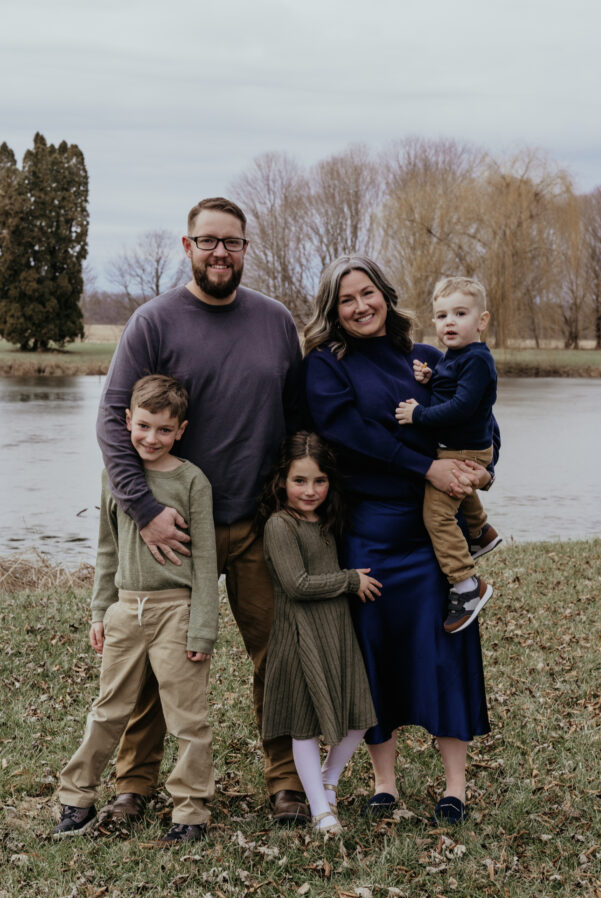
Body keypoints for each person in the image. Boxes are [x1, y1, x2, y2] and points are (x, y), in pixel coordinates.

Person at [96, 197, 308, 826]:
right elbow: (114, 422)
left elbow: (299, 420)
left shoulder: (274, 322)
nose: (221, 252)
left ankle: (285, 781)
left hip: (257, 525)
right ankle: (134, 784)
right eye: (209, 241)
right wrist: (142, 509)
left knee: (276, 655)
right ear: (186, 246)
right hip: (173, 533)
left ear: (247, 249)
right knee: (159, 665)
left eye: (233, 242)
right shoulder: (153, 322)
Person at [303, 255, 496, 825]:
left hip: (436, 538)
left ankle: (455, 786)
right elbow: (348, 433)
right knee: (376, 654)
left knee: (446, 653)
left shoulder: (429, 357)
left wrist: (482, 472)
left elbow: (481, 420)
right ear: (333, 311)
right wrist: (427, 470)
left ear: (386, 296)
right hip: (371, 532)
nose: (361, 306)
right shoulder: (325, 365)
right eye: (346, 299)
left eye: (369, 293)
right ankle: (384, 781)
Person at [54, 376, 218, 843]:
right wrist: (99, 611)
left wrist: (202, 629)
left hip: (176, 612)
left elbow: (206, 562)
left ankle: (190, 812)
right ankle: (77, 797)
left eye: (164, 430)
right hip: (126, 610)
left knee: (188, 717)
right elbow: (107, 549)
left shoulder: (192, 481)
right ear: (127, 421)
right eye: (143, 426)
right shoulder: (116, 477)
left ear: (180, 430)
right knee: (108, 709)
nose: (151, 438)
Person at [257, 432, 380, 834]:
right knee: (305, 724)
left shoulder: (326, 521)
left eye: (320, 481)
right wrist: (348, 581)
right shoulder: (280, 525)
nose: (310, 491)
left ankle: (328, 779)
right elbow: (297, 584)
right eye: (300, 481)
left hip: (336, 631)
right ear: (281, 481)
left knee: (359, 714)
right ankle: (320, 809)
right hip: (299, 634)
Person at [395, 276, 501, 634]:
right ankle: (480, 531)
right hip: (457, 447)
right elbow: (449, 386)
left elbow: (461, 407)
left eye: (460, 313)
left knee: (437, 515)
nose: (449, 322)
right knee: (455, 494)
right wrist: (430, 378)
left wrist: (418, 415)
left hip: (465, 449)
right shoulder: (457, 357)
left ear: (481, 321)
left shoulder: (477, 360)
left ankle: (466, 585)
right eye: (441, 316)